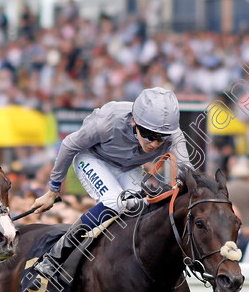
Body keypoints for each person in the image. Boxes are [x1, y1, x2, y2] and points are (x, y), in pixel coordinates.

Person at [26, 87, 191, 280]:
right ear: (134, 122)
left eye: (160, 137)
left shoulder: (173, 133)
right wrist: (52, 191)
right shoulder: (108, 121)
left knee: (147, 209)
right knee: (115, 202)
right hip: (93, 158)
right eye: (147, 134)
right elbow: (68, 145)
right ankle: (55, 256)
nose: (154, 143)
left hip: (128, 168)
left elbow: (186, 172)